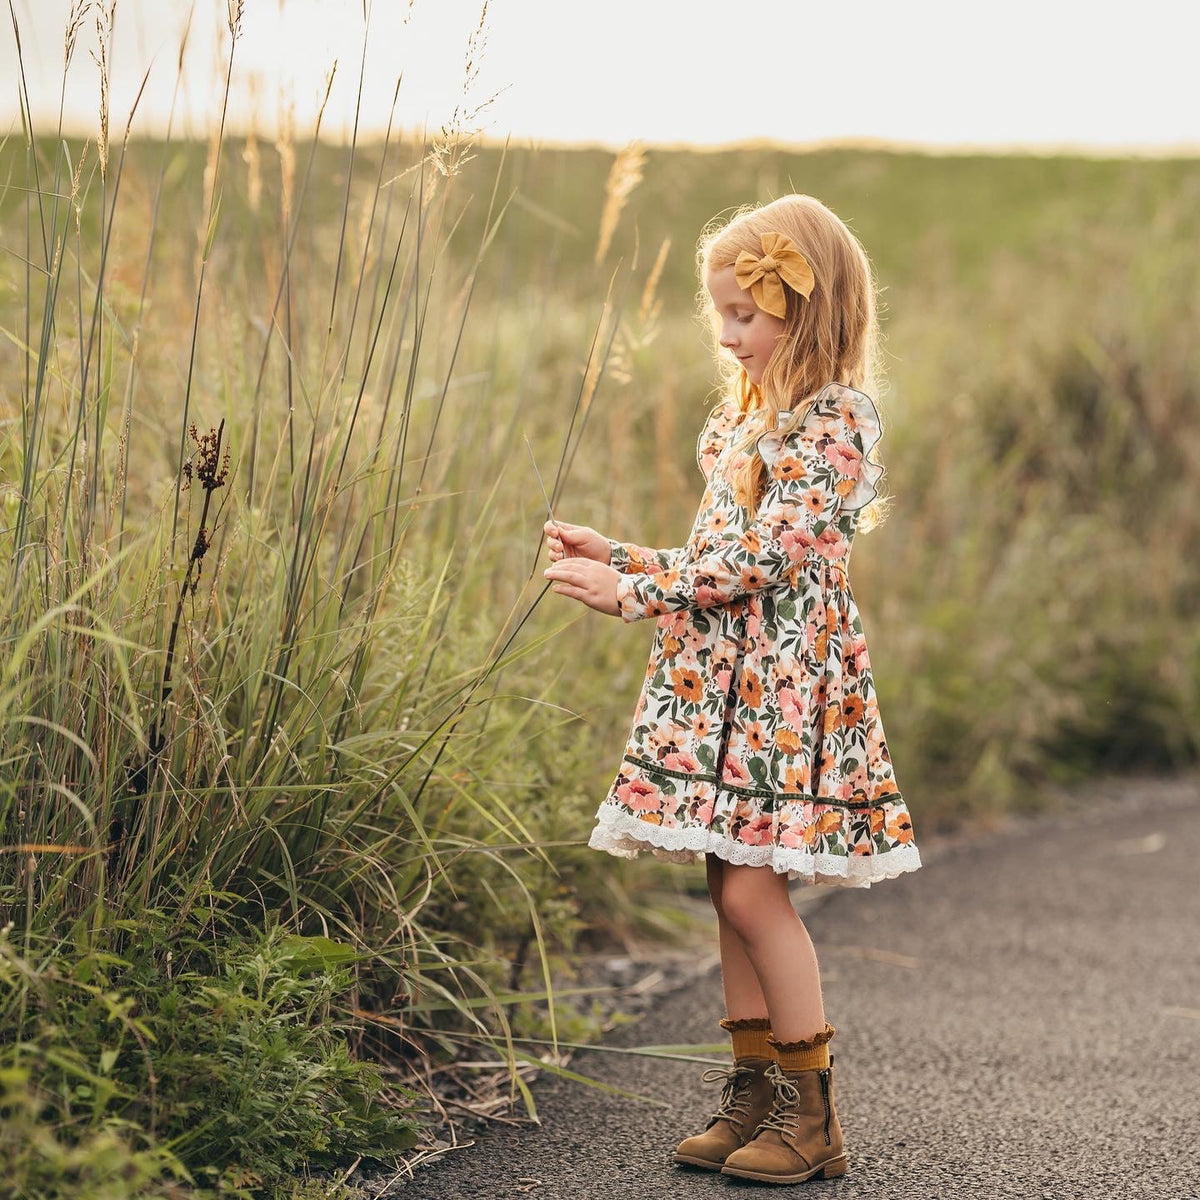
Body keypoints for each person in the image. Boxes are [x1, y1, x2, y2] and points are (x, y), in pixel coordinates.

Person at [542, 194, 922, 1185]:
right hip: (724, 688)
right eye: (722, 316)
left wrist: (632, 593)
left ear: (809, 309)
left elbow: (765, 559)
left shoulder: (838, 423)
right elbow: (717, 554)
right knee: (726, 882)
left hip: (783, 696)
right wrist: (619, 553)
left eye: (744, 317)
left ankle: (813, 1117)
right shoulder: (748, 416)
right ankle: (753, 1094)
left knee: (755, 889)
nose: (726, 335)